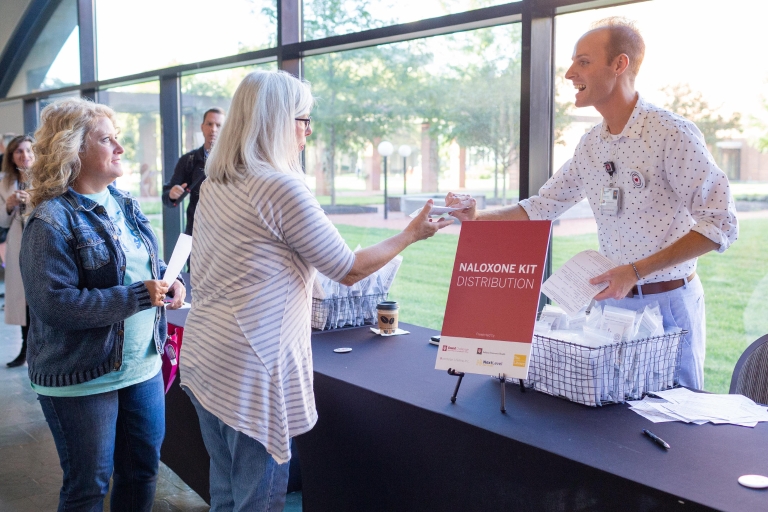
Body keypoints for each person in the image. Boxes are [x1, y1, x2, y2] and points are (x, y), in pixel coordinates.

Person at [180, 70, 452, 511]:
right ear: (278, 121)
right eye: (304, 119)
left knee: (227, 494)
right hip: (253, 366)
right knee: (256, 502)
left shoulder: (216, 184)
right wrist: (410, 234)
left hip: (206, 355)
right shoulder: (280, 187)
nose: (307, 131)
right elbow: (347, 268)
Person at [446, 17, 737, 391]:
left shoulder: (671, 134)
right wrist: (477, 218)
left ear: (619, 65)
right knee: (610, 424)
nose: (569, 73)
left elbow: (720, 224)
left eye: (583, 61)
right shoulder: (590, 145)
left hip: (668, 307)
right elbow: (543, 204)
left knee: (672, 426)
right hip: (610, 309)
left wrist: (633, 271)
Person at [19, 97, 186, 510]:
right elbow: (54, 305)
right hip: (80, 376)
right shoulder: (50, 221)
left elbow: (146, 263)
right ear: (72, 149)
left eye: (118, 139)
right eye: (107, 140)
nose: (120, 148)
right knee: (89, 488)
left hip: (141, 366)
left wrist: (172, 281)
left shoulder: (124, 202)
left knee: (142, 472)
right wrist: (137, 296)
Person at [162, 107, 225, 236]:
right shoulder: (189, 160)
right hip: (196, 232)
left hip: (224, 233)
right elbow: (167, 196)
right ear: (202, 127)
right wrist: (172, 194)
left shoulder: (233, 161)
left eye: (218, 125)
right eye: (209, 124)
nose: (213, 129)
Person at [0, 135, 34, 367]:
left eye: (29, 151)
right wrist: (9, 205)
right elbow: (2, 222)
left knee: (38, 297)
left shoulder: (46, 179)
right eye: (19, 152)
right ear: (11, 157)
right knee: (22, 300)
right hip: (17, 245)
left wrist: (31, 199)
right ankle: (25, 348)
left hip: (40, 245)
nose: (25, 156)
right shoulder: (3, 183)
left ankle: (38, 348)